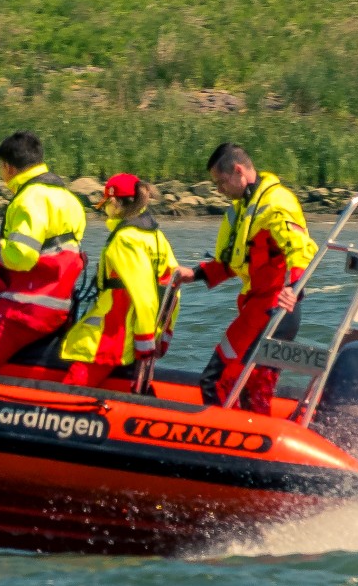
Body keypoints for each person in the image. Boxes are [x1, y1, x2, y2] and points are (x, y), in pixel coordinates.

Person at [190, 141, 318, 412]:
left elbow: (301, 249)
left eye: (221, 182)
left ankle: (225, 446)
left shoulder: (275, 203)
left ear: (238, 171)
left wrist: (294, 288)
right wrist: (193, 274)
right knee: (252, 391)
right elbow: (234, 263)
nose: (219, 190)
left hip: (274, 308)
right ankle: (249, 441)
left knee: (216, 381)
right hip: (257, 307)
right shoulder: (241, 208)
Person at [0, 130, 88, 373]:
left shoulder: (28, 199)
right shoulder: (68, 199)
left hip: (24, 309)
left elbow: (23, 257)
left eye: (1, 168)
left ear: (8, 167)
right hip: (59, 308)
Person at [58, 173, 180, 389]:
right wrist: (163, 334)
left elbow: (144, 296)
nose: (105, 210)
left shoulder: (124, 239)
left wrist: (145, 338)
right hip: (136, 337)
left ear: (114, 202)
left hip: (111, 338)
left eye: (106, 204)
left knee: (71, 392)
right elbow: (173, 290)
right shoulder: (156, 237)